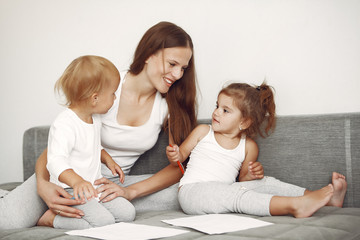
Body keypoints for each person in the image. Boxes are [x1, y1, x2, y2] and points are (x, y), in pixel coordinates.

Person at [0, 21, 198, 229]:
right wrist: (43, 185)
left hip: (111, 184)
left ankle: (89, 206)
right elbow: (57, 146)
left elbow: (178, 167)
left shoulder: (169, 104)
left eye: (183, 68)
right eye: (172, 64)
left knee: (181, 195)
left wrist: (131, 192)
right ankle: (43, 212)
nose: (177, 75)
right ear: (149, 54)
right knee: (8, 221)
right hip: (69, 176)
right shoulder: (108, 87)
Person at [166, 82, 347, 217]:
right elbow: (180, 156)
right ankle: (295, 205)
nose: (216, 112)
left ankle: (324, 200)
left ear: (244, 122)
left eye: (225, 110)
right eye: (217, 106)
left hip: (226, 189)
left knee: (266, 183)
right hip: (192, 194)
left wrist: (252, 175)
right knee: (236, 195)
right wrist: (175, 154)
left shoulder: (248, 146)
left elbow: (243, 180)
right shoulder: (203, 131)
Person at [39, 55, 136, 229]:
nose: (115, 98)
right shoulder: (65, 124)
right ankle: (50, 219)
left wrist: (108, 159)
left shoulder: (94, 118)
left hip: (91, 187)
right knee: (102, 222)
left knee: (127, 213)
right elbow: (55, 161)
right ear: (95, 98)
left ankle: (91, 209)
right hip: (70, 190)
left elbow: (93, 147)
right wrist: (76, 181)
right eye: (113, 93)